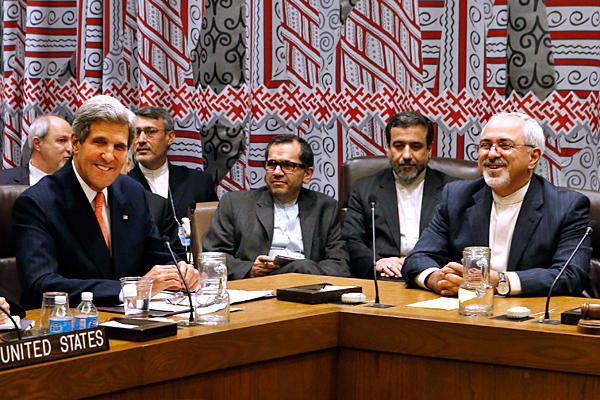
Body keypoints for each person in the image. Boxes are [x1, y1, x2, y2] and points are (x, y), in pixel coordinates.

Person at [13, 95, 198, 308]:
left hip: (134, 323)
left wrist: (179, 271)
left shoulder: (132, 191)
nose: (109, 156)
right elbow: (41, 284)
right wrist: (131, 290)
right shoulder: (37, 202)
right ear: (76, 143)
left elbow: (157, 254)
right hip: (70, 328)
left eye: (119, 147)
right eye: (100, 142)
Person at [403, 112, 592, 297]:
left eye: (505, 145)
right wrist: (436, 279)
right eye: (485, 145)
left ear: (533, 157)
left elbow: (571, 275)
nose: (492, 154)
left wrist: (500, 282)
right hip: (466, 313)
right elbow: (417, 258)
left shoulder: (566, 206)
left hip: (529, 316)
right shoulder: (457, 197)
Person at [203, 134, 350, 280]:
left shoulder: (325, 207)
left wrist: (303, 269)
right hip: (256, 288)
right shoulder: (235, 203)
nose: (277, 172)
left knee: (301, 267)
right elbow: (212, 257)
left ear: (307, 174)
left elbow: (339, 265)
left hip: (308, 289)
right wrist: (250, 269)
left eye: (288, 165)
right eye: (272, 164)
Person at [343, 112, 454, 279]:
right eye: (399, 146)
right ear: (388, 149)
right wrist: (376, 262)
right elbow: (351, 240)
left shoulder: (452, 190)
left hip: (435, 278)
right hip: (383, 277)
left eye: (416, 146)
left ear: (429, 149)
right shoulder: (364, 189)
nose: (407, 155)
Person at [128, 106, 217, 222]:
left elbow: (216, 232)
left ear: (170, 137)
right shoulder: (122, 187)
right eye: (137, 132)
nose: (141, 140)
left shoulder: (199, 182)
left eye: (150, 132)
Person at [0, 115, 72, 185]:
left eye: (72, 141)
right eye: (62, 140)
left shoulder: (77, 184)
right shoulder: (3, 181)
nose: (70, 148)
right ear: (37, 143)